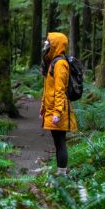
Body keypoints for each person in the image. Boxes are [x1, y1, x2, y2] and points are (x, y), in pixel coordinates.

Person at [39, 31, 77, 173]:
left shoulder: (60, 64)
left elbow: (60, 90)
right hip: (53, 110)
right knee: (57, 142)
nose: (45, 44)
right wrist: (43, 108)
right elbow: (48, 89)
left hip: (58, 111)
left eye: (48, 42)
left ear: (55, 44)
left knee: (60, 143)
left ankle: (62, 175)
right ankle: (60, 172)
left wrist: (57, 112)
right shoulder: (53, 62)